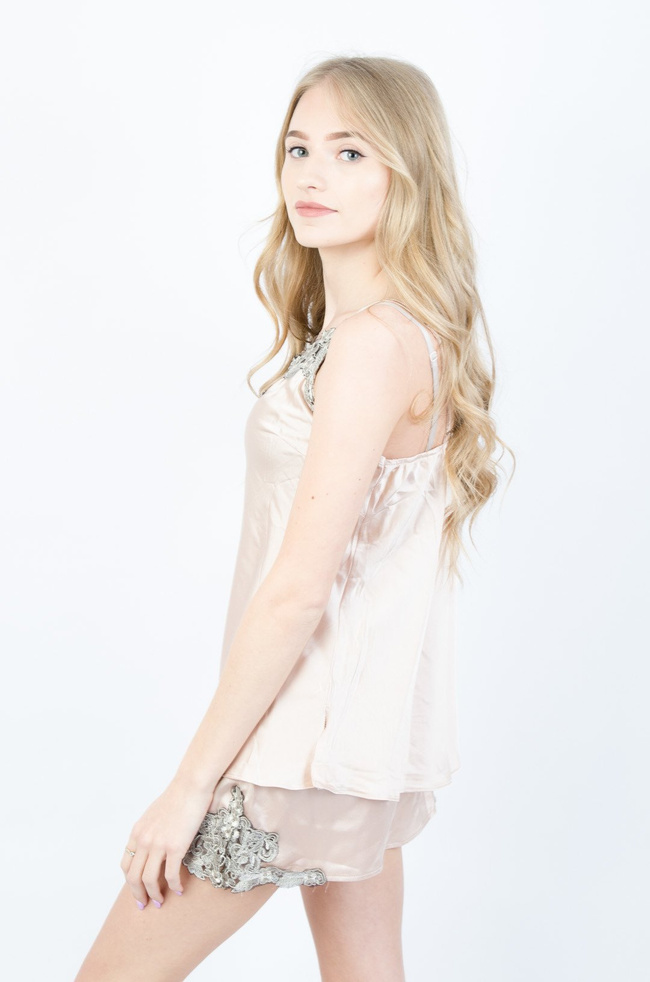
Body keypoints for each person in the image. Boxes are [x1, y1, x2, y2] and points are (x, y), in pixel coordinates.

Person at [74, 54, 513, 982]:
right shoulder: (405, 335)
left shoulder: (371, 347)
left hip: (291, 750)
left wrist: (188, 788)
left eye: (351, 152)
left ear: (408, 173)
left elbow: (299, 591)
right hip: (352, 749)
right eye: (298, 148)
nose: (313, 175)